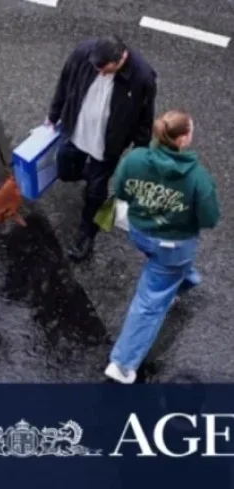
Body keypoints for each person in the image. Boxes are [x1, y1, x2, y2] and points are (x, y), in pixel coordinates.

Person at [105, 110, 220, 384]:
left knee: (168, 271)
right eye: (190, 131)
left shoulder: (134, 160)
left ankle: (183, 281)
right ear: (181, 140)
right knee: (149, 304)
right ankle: (122, 364)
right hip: (174, 246)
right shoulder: (197, 178)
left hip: (140, 233)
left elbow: (121, 191)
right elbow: (210, 218)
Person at [47, 35, 157, 261]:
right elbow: (65, 82)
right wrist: (54, 114)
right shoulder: (84, 54)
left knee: (96, 191)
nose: (99, 72)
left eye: (104, 68)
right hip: (76, 130)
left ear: (120, 59)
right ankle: (89, 180)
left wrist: (140, 153)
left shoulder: (142, 77)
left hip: (107, 145)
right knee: (65, 171)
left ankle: (87, 234)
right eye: (96, 67)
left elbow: (145, 119)